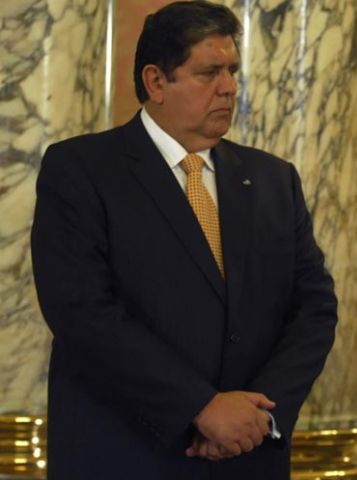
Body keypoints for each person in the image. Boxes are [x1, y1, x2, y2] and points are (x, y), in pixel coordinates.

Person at [30, 2, 338, 478]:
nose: (229, 87)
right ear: (156, 82)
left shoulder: (274, 179)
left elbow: (314, 307)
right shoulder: (82, 171)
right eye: (209, 72)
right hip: (126, 455)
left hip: (248, 457)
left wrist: (260, 417)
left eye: (232, 70)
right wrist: (201, 408)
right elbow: (83, 313)